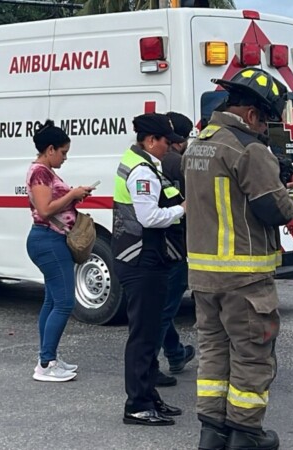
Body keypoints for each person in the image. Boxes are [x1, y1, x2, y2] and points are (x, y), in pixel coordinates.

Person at [183, 68, 293, 450]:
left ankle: (212, 432)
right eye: (266, 120)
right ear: (251, 114)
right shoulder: (249, 149)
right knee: (252, 356)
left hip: (203, 276)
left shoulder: (198, 144)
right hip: (244, 277)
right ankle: (247, 435)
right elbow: (276, 210)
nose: (267, 129)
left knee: (214, 355)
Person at [114, 113, 186, 426]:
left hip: (144, 258)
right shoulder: (141, 171)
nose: (169, 148)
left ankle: (149, 396)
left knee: (150, 331)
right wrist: (183, 209)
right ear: (150, 141)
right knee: (143, 336)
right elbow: (149, 217)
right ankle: (137, 405)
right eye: (166, 142)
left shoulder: (140, 162)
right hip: (141, 259)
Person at [26, 120, 96, 382]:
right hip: (48, 240)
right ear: (50, 149)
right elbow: (45, 210)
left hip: (49, 239)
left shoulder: (45, 171)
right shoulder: (39, 173)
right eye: (63, 152)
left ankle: (49, 356)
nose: (65, 158)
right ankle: (46, 363)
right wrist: (72, 194)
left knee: (52, 301)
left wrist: (73, 196)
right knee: (65, 302)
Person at [153, 111, 196, 388]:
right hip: (174, 244)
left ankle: (175, 352)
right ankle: (150, 365)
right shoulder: (179, 163)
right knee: (165, 307)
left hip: (159, 244)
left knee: (162, 305)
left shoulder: (155, 162)